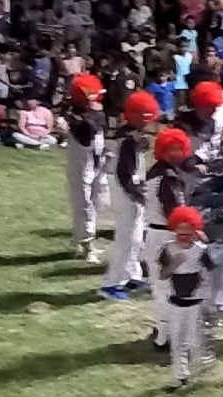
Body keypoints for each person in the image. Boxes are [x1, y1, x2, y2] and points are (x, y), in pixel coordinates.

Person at [100, 91, 160, 301]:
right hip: (125, 190)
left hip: (126, 188)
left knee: (134, 235)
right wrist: (137, 195)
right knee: (128, 238)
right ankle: (112, 283)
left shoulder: (127, 134)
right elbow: (124, 173)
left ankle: (132, 274)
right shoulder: (130, 140)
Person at [159, 206, 215, 393]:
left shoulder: (201, 251)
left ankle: (202, 373)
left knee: (196, 341)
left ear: (194, 232)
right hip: (176, 302)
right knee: (177, 341)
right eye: (179, 234)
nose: (183, 238)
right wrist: (173, 264)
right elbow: (163, 275)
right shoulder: (168, 249)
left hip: (197, 303)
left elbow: (214, 270)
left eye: (187, 234)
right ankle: (180, 377)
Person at [145, 128, 191, 351]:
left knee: (162, 288)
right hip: (165, 236)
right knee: (168, 289)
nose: (176, 153)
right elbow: (175, 212)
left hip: (156, 234)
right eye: (171, 149)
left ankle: (163, 335)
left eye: (179, 149)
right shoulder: (168, 178)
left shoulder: (156, 172)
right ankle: (165, 337)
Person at [67, 74, 108, 263]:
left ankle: (84, 242)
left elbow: (101, 129)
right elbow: (86, 137)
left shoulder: (96, 114)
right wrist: (88, 116)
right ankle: (86, 244)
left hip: (97, 163)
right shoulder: (76, 117)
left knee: (97, 199)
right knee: (83, 203)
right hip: (82, 166)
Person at [175, 81, 223, 188]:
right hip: (187, 179)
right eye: (210, 106)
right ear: (199, 105)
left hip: (210, 172)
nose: (214, 110)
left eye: (216, 106)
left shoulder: (211, 122)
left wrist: (222, 160)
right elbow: (184, 161)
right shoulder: (183, 126)